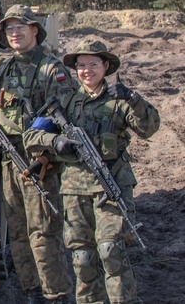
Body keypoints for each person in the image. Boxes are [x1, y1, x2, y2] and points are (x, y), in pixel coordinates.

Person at [25, 40, 160, 304]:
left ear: (106, 66)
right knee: (82, 258)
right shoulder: (65, 102)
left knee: (112, 252)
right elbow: (31, 135)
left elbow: (149, 127)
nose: (87, 70)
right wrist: (55, 142)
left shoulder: (119, 101)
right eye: (81, 65)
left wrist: (134, 99)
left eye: (93, 64)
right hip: (74, 190)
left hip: (112, 187)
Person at [0, 6, 74, 304]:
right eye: (9, 29)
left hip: (39, 163)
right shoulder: (5, 68)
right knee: (19, 236)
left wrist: (46, 158)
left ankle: (55, 295)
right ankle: (31, 292)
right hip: (10, 159)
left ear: (35, 30)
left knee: (43, 235)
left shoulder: (51, 69)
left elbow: (66, 119)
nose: (15, 33)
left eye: (21, 27)